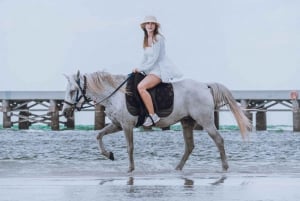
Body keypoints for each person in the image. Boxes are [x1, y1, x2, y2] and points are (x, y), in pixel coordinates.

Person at [133, 15, 183, 127]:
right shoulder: (146, 39)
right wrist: (137, 68)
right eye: (148, 23)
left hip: (159, 69)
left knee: (141, 87)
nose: (150, 26)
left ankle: (153, 115)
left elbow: (155, 58)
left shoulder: (158, 38)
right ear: (144, 26)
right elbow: (145, 57)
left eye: (152, 23)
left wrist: (141, 69)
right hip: (150, 69)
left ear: (155, 26)